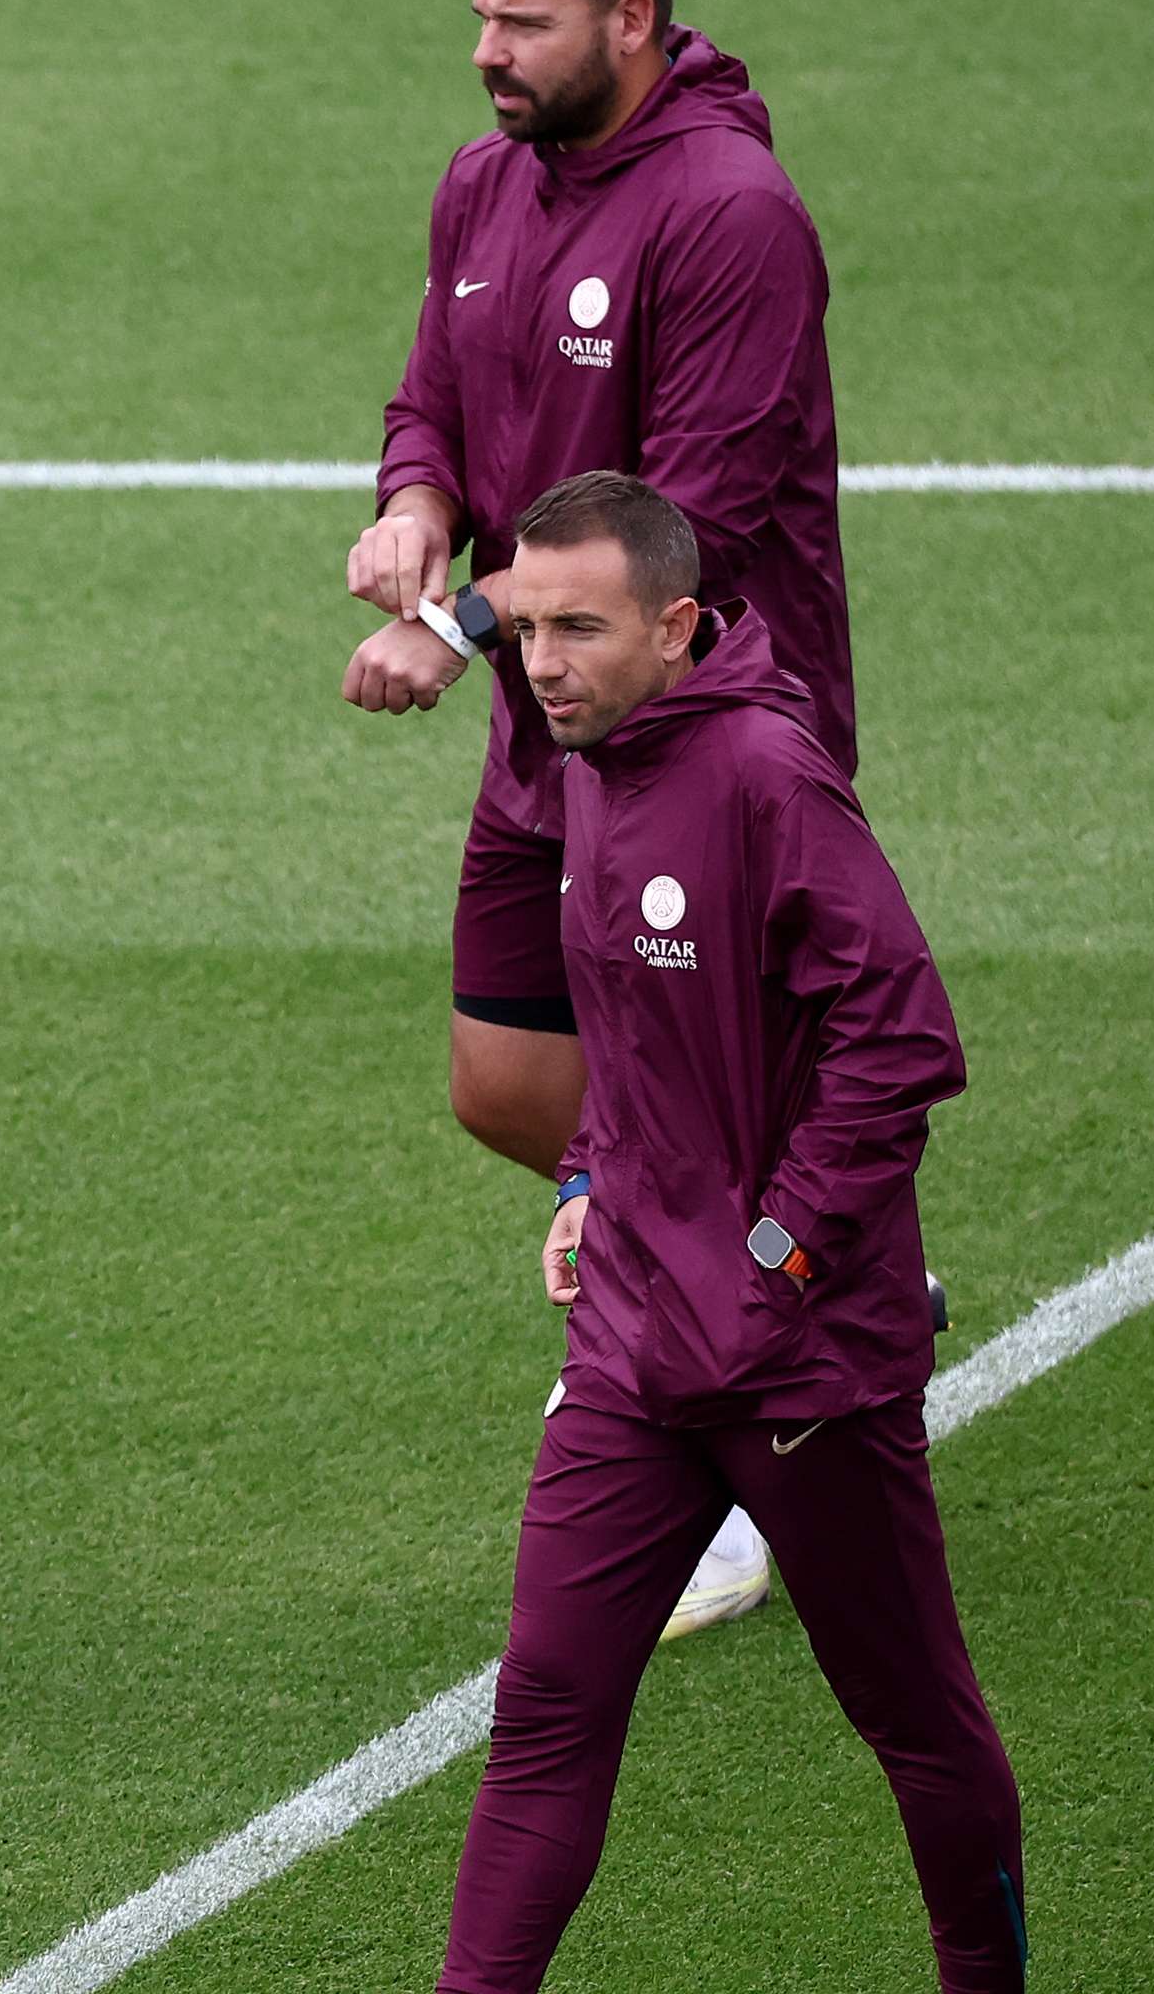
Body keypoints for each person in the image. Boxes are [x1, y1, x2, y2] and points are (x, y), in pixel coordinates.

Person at [341, 0, 854, 1637]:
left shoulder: (731, 214)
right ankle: (807, 1240)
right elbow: (434, 398)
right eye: (482, 17)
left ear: (631, 23)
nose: (488, 52)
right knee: (508, 1085)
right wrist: (411, 501)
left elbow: (683, 523)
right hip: (548, 725)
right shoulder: (484, 184)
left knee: (676, 1110)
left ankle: (701, 1454)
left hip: (705, 744)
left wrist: (462, 627)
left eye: (526, 24)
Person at [437, 470, 1022, 1992]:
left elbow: (901, 1040)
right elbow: (643, 1040)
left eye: (582, 627)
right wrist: (586, 1181)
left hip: (797, 1361)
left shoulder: (768, 776)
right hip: (632, 1342)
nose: (543, 660)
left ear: (679, 626)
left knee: (916, 1725)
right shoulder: (584, 758)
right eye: (524, 624)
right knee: (547, 1716)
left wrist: (782, 1255)